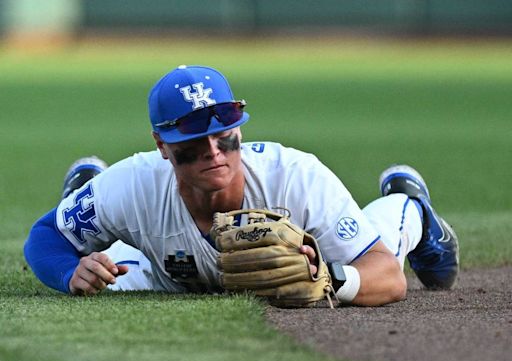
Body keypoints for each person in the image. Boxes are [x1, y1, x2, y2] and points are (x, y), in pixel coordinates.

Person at [24, 65, 459, 306]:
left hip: (318, 254)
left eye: (225, 134)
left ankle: (411, 206)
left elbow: (388, 277)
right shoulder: (133, 183)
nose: (214, 151)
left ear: (239, 129)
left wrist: (330, 277)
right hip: (166, 272)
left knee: (379, 240)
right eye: (194, 140)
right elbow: (45, 237)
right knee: (105, 274)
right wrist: (68, 271)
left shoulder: (296, 177)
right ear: (162, 144)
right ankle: (83, 205)